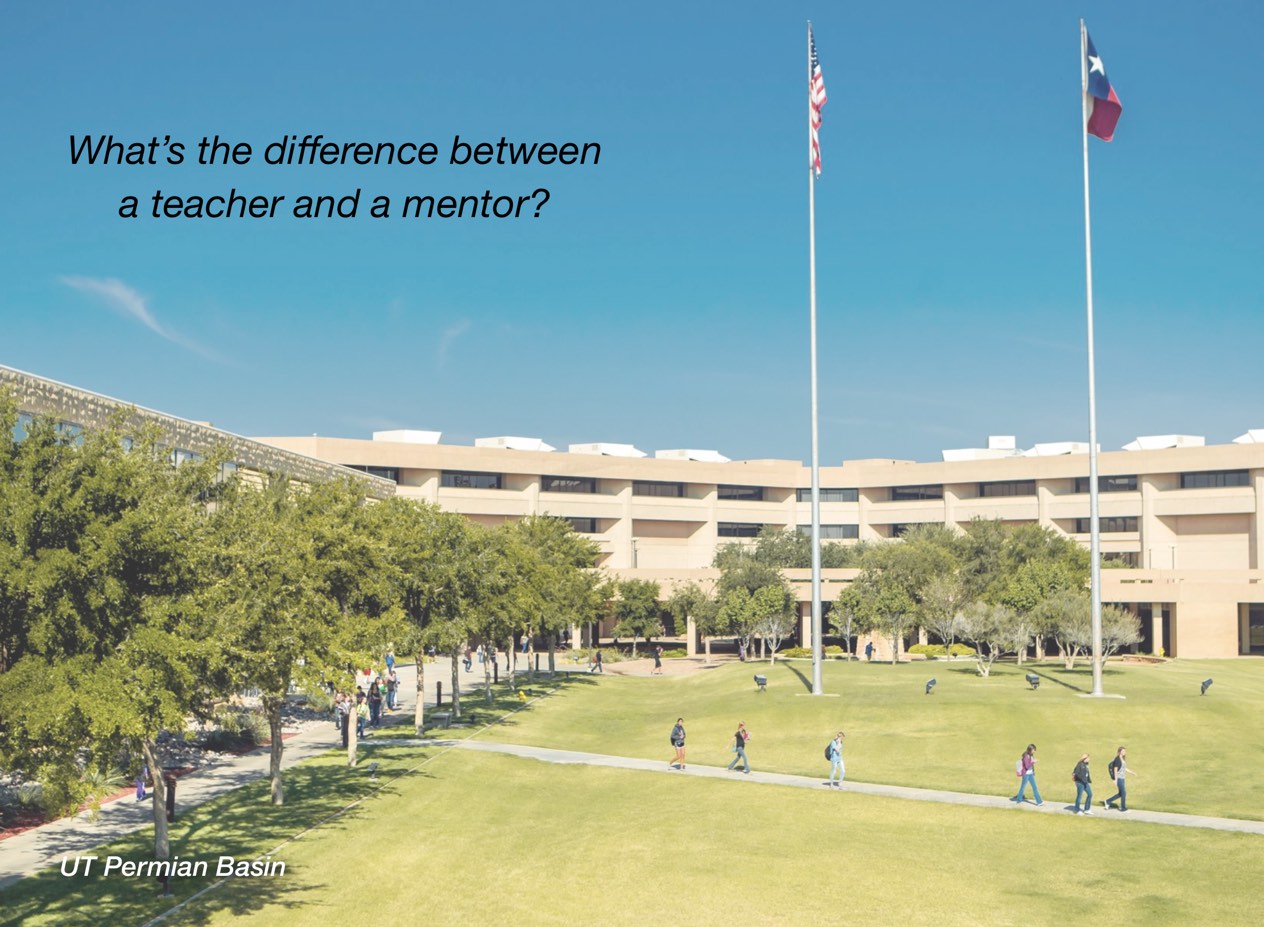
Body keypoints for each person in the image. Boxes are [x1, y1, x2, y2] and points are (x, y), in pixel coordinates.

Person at [1105, 746, 1137, 812]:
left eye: (1125, 751)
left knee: (1120, 793)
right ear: (1119, 752)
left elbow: (1124, 768)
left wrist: (1132, 772)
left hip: (1122, 778)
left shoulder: (1122, 759)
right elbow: (1115, 769)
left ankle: (1108, 801)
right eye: (1123, 751)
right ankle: (1123, 808)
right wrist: (1115, 780)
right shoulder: (1117, 759)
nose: (1124, 752)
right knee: (1124, 793)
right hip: (1119, 778)